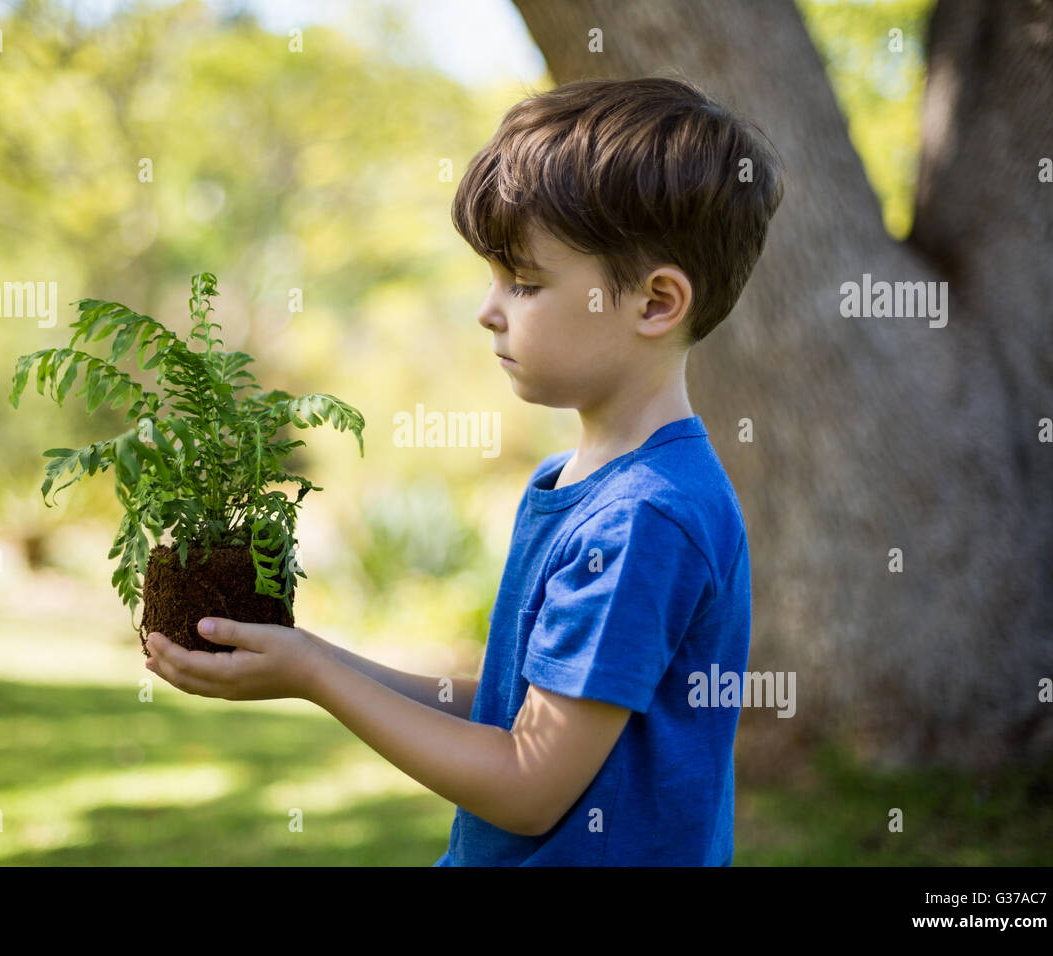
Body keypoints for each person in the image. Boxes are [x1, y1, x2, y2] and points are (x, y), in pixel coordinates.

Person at [145, 75, 784, 866]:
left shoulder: (645, 517)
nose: (489, 309)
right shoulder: (571, 483)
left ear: (655, 304)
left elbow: (528, 783)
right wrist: (305, 655)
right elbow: (502, 714)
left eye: (525, 281)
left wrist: (314, 677)